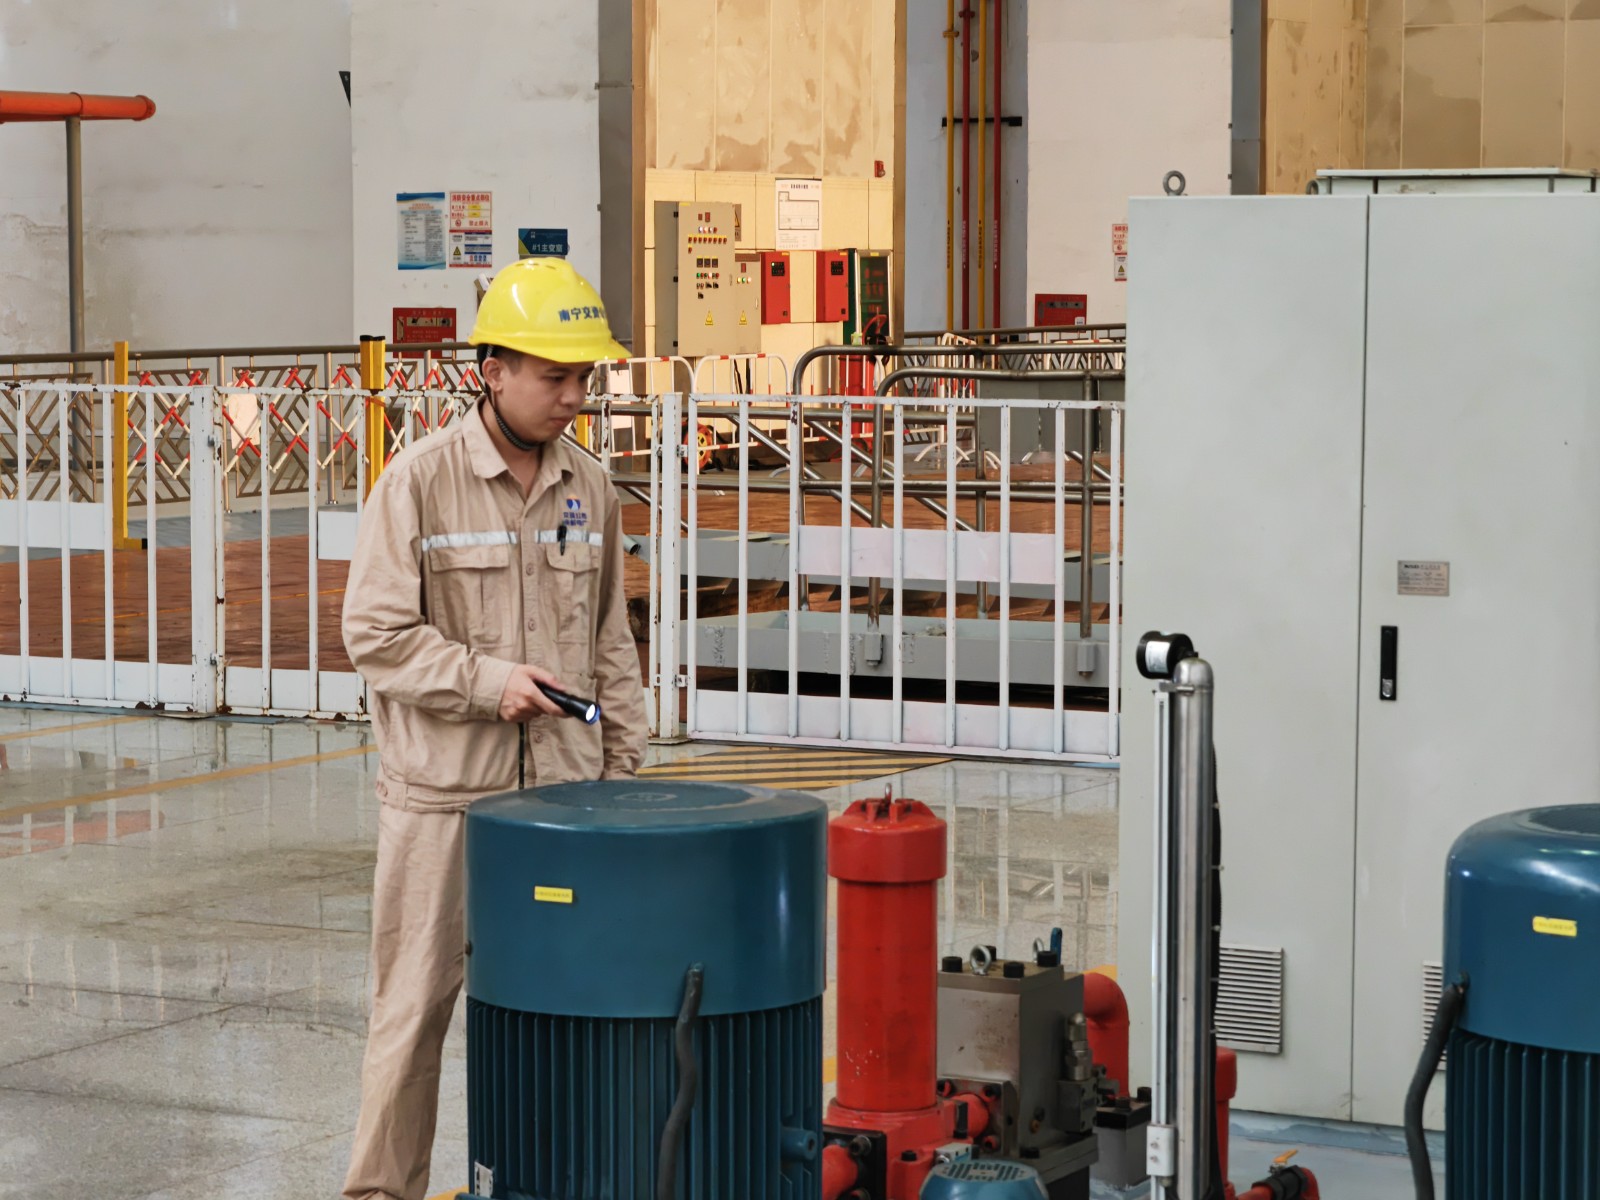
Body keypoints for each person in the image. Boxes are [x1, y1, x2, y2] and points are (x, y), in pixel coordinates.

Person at [340, 257, 647, 1200]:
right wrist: (488, 682)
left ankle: (559, 1183)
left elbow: (610, 641)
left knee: (574, 1010)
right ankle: (380, 1192)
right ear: (493, 371)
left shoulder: (590, 486)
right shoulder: (419, 483)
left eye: (583, 377)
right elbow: (375, 635)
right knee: (412, 1014)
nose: (574, 396)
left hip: (564, 801)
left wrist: (624, 776)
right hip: (446, 804)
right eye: (555, 377)